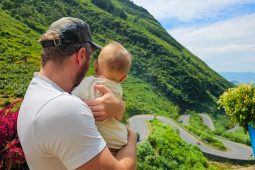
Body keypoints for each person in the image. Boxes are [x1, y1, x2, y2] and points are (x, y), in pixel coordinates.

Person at [17, 17, 137, 170]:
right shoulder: (65, 109)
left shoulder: (36, 91)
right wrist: (132, 137)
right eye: (89, 57)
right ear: (81, 55)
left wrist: (119, 107)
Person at [72, 41, 131, 155]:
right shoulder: (118, 89)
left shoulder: (87, 83)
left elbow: (72, 96)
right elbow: (117, 117)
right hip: (118, 141)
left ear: (95, 65)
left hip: (97, 139)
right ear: (123, 78)